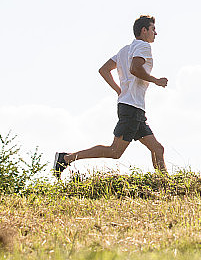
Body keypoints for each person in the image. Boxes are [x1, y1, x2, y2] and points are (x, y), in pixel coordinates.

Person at [54, 15, 168, 176]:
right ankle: (66, 158)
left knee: (157, 148)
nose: (155, 33)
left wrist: (119, 90)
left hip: (133, 108)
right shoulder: (143, 46)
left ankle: (165, 184)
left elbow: (104, 70)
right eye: (153, 29)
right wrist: (155, 80)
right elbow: (135, 68)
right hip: (131, 109)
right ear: (144, 30)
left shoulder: (124, 50)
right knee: (115, 151)